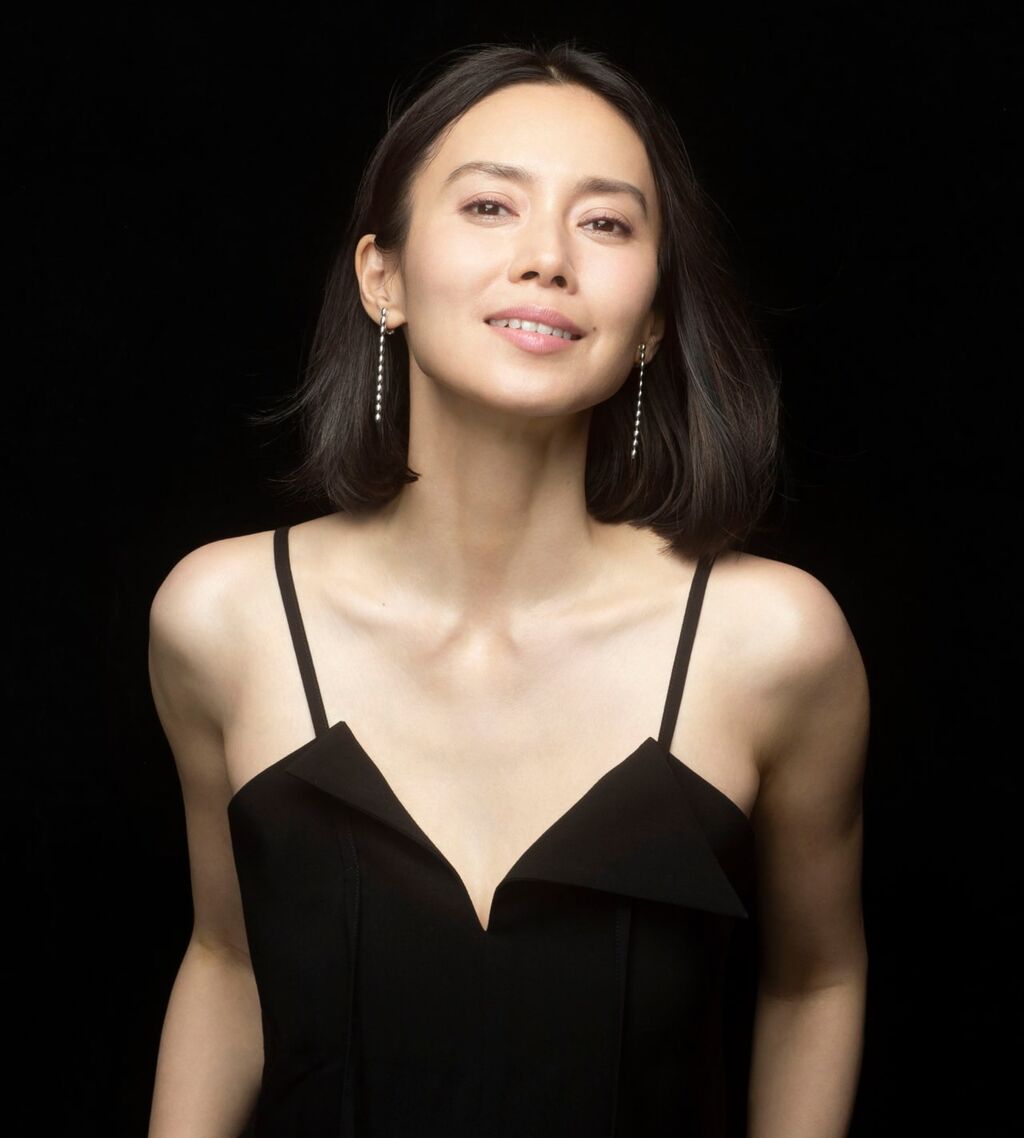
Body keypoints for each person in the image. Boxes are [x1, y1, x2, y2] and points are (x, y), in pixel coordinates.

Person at [146, 41, 869, 1138]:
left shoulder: (771, 641)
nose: (546, 258)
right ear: (382, 277)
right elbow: (226, 959)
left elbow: (816, 980)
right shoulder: (222, 618)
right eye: (490, 206)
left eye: (606, 223)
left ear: (653, 319)